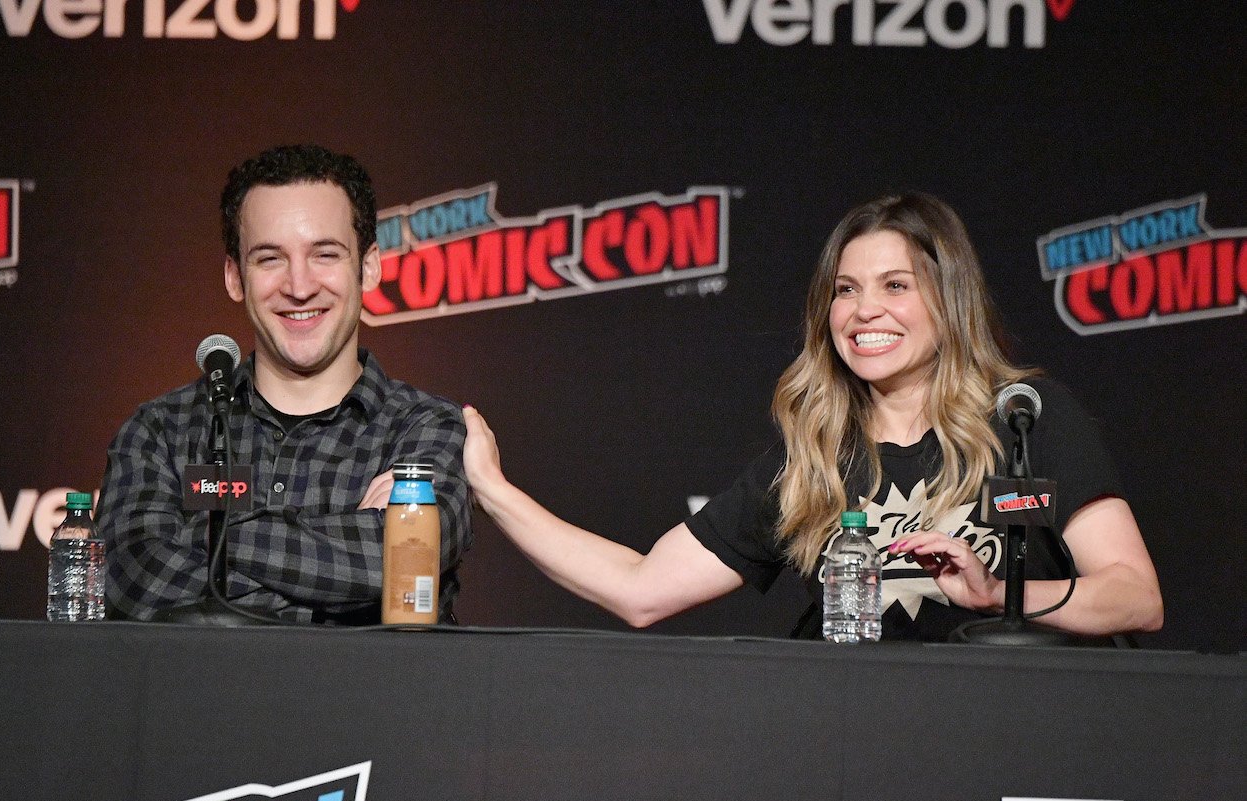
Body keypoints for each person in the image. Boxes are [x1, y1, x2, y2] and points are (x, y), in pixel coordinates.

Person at [462, 192, 1163, 641]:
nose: (864, 311)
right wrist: (493, 489)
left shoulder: (1028, 420)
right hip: (839, 748)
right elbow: (641, 588)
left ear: (951, 304)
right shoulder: (814, 458)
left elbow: (1134, 596)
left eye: (896, 286)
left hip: (994, 747)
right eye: (846, 290)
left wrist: (994, 597)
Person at [99, 144, 472, 624]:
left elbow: (402, 562)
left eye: (325, 254)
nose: (299, 286)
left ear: (370, 267)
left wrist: (209, 538)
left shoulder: (427, 430)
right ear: (235, 277)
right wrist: (342, 575)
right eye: (270, 258)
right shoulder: (160, 431)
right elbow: (131, 576)